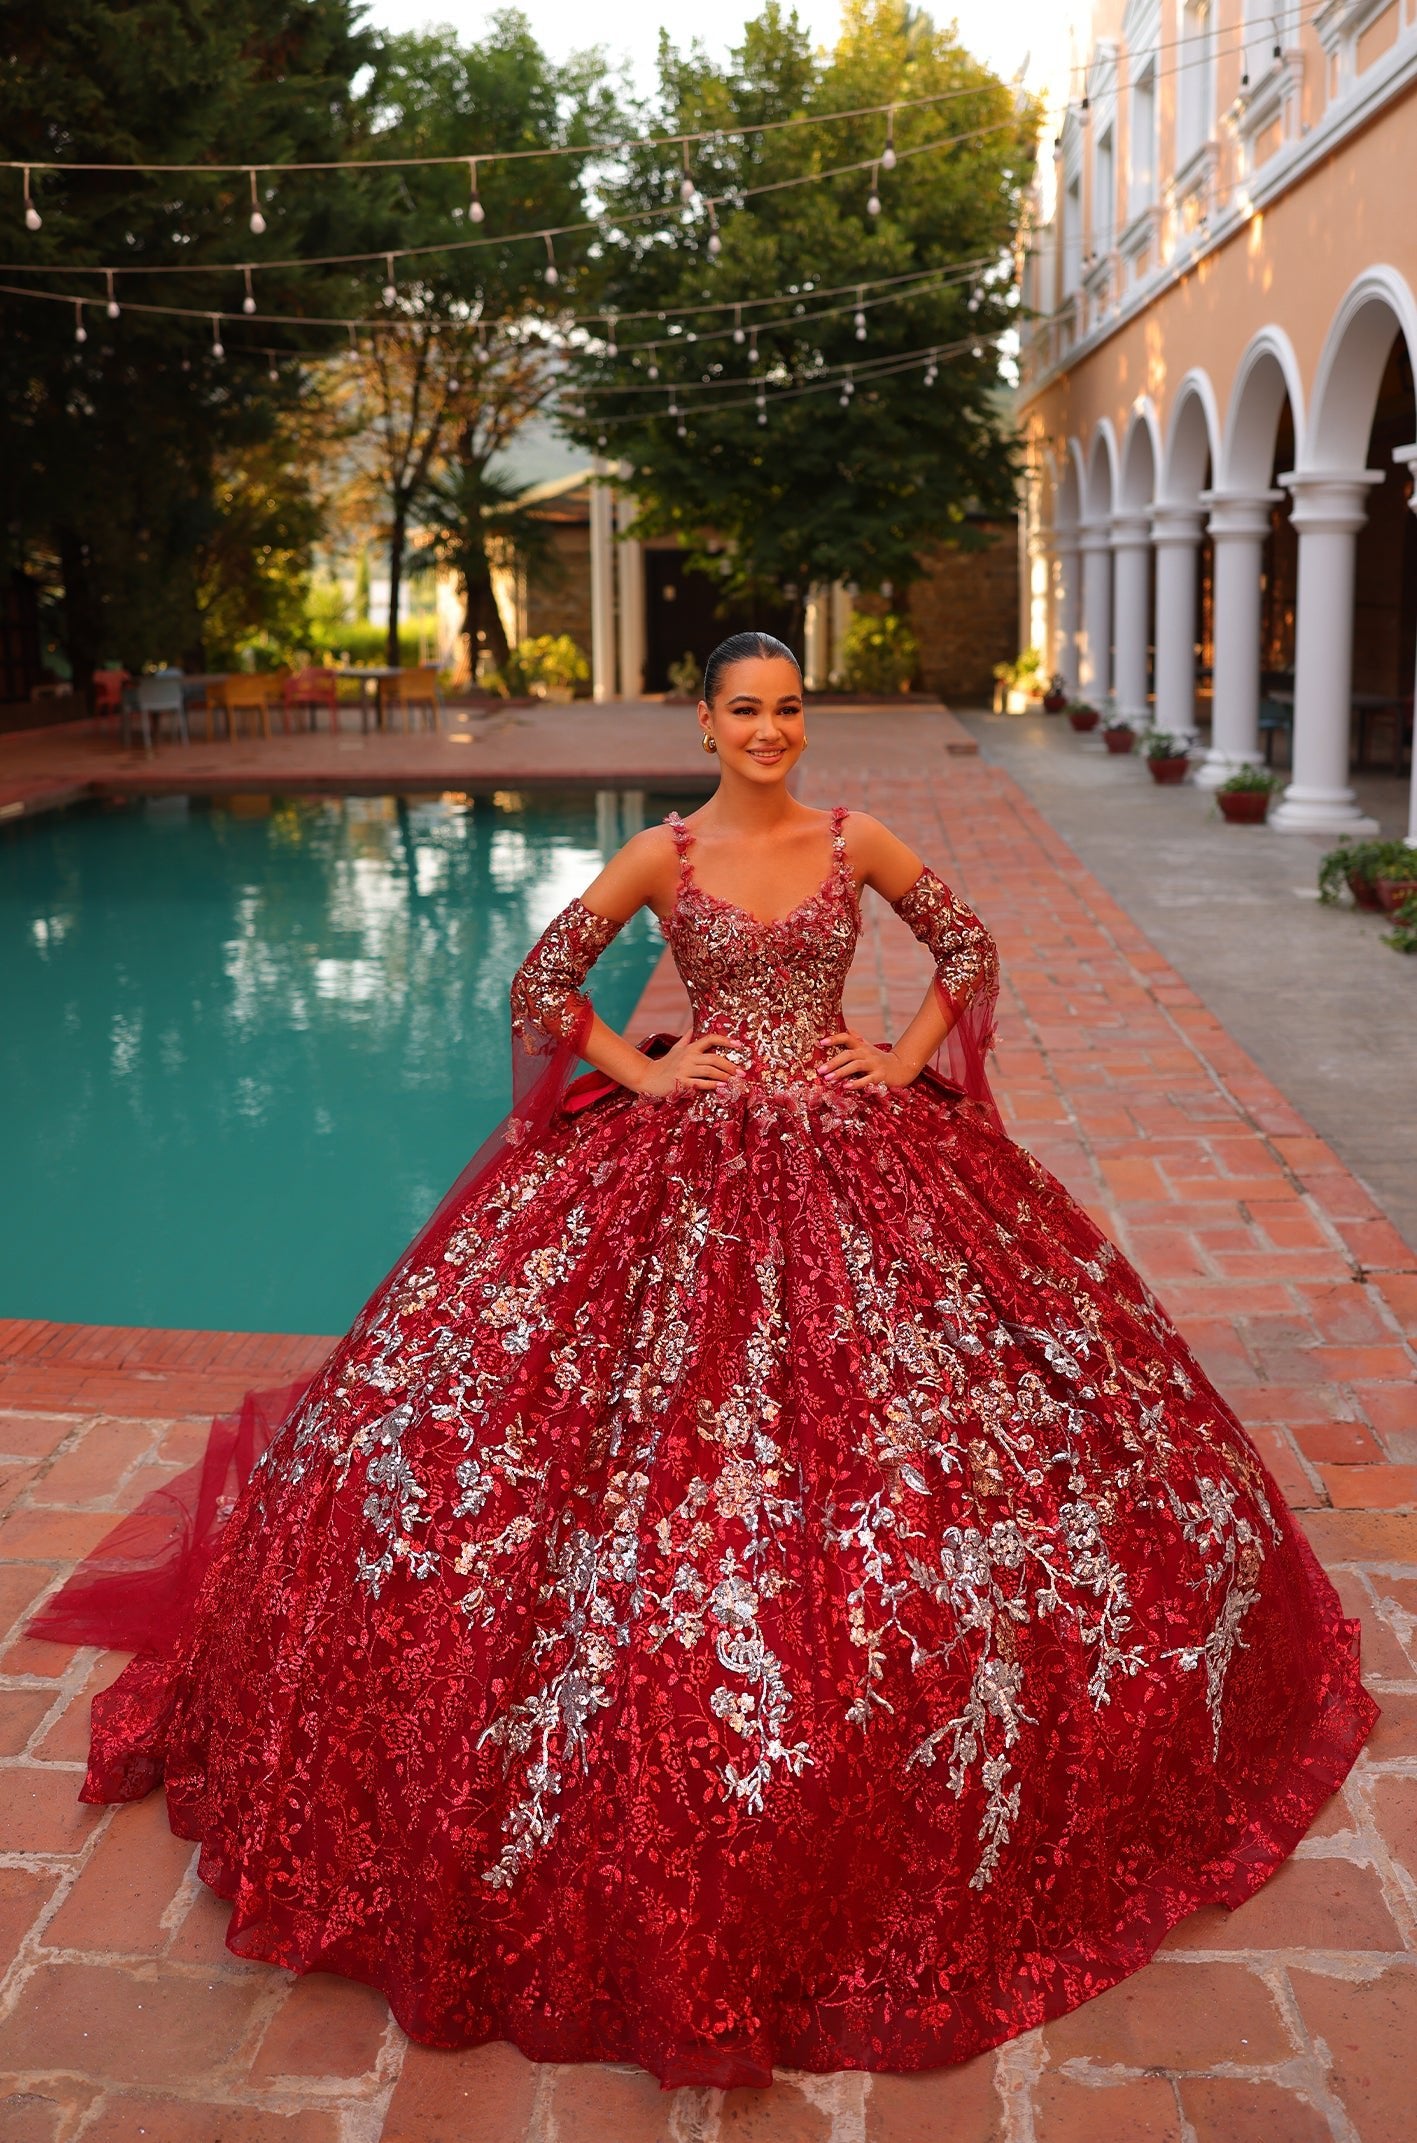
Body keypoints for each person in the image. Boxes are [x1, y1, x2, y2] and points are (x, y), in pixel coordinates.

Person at [33, 631, 1376, 2091]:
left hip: (857, 1133)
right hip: (693, 1145)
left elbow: (972, 947)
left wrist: (901, 1047)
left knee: (962, 1414)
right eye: (746, 710)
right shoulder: (659, 855)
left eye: (788, 709)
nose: (770, 731)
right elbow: (546, 981)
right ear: (704, 722)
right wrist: (647, 1068)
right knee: (623, 1416)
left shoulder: (855, 837)